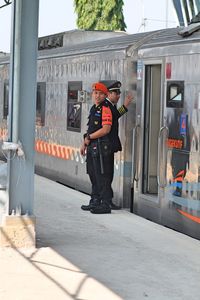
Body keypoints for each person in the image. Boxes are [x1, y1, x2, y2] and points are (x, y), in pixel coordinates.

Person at [80, 82, 114, 214]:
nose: (97, 96)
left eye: (100, 93)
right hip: (93, 146)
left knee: (102, 175)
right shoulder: (94, 108)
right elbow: (90, 129)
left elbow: (106, 129)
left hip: (101, 147)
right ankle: (94, 200)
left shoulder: (105, 108)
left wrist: (89, 138)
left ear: (105, 95)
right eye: (95, 93)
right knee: (93, 174)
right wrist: (84, 142)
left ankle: (105, 204)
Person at [103, 81, 133, 209]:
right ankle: (106, 200)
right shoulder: (107, 106)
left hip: (109, 146)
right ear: (109, 94)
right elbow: (114, 117)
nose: (118, 95)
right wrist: (125, 106)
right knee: (107, 174)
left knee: (109, 173)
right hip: (106, 146)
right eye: (116, 93)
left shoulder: (111, 105)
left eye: (119, 93)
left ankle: (107, 200)